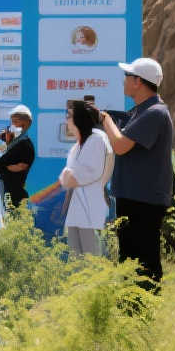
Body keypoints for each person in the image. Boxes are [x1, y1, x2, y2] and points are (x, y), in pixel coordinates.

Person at [101, 57, 175, 290]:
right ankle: (131, 307)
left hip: (144, 200)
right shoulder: (140, 112)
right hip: (134, 197)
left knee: (145, 261)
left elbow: (120, 145)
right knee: (129, 260)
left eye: (127, 76)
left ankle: (146, 307)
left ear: (138, 82)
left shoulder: (155, 113)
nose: (123, 81)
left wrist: (105, 119)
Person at [59, 99, 112, 258]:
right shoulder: (77, 146)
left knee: (91, 258)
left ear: (79, 118)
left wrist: (69, 177)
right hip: (77, 209)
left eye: (69, 116)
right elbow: (67, 180)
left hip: (90, 209)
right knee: (76, 259)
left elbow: (76, 177)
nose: (66, 120)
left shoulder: (96, 139)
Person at [0, 105, 36, 212]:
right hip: (5, 193)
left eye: (16, 122)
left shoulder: (24, 145)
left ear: (25, 124)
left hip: (13, 196)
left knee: (12, 217)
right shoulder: (14, 142)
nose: (12, 125)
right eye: (12, 122)